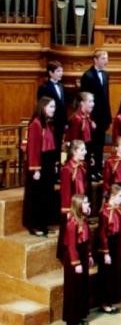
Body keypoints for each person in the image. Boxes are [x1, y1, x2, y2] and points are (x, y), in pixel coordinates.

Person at [23, 96, 57, 236]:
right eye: (51, 107)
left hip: (47, 164)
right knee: (36, 196)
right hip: (39, 165)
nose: (54, 109)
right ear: (43, 107)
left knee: (45, 195)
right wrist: (35, 169)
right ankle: (34, 225)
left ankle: (43, 223)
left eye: (54, 107)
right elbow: (33, 148)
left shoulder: (47, 123)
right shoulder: (36, 124)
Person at [62, 194, 93, 325]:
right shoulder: (72, 223)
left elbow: (87, 240)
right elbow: (71, 245)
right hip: (74, 257)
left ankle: (80, 315)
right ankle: (72, 319)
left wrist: (89, 255)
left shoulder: (83, 220)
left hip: (83, 253)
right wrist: (76, 263)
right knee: (74, 287)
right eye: (85, 203)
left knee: (81, 286)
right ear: (78, 205)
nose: (88, 205)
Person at [80, 50, 111, 176]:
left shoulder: (105, 74)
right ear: (95, 60)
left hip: (103, 116)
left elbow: (106, 97)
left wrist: (108, 115)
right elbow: (84, 100)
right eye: (103, 58)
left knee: (100, 145)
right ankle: (90, 171)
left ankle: (98, 169)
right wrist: (90, 118)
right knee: (90, 145)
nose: (106, 61)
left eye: (106, 58)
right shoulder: (87, 76)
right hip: (92, 117)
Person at [97, 185, 121, 314]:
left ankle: (111, 301)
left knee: (115, 273)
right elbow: (102, 234)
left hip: (117, 244)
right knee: (107, 275)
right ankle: (104, 303)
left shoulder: (119, 210)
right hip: (108, 245)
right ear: (113, 196)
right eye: (120, 196)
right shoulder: (104, 212)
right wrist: (106, 252)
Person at [57, 140, 88, 259]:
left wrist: (85, 204)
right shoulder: (67, 169)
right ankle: (65, 256)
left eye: (85, 149)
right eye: (82, 150)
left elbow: (84, 185)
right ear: (74, 151)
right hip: (71, 207)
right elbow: (65, 192)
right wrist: (68, 211)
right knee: (68, 233)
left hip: (80, 204)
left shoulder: (83, 166)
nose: (85, 152)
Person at [36, 61, 67, 152]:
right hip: (50, 123)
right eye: (58, 71)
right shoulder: (44, 87)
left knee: (58, 147)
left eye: (62, 71)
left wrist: (65, 122)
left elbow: (63, 105)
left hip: (60, 123)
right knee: (50, 148)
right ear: (50, 73)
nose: (61, 73)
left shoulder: (61, 86)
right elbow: (42, 106)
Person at [66, 92, 97, 179]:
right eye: (90, 101)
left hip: (86, 152)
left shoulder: (87, 117)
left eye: (93, 101)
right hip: (79, 154)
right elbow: (74, 141)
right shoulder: (77, 118)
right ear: (82, 103)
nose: (93, 104)